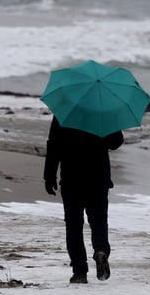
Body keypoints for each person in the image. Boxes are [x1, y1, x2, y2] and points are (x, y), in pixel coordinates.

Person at [43, 117, 124, 284]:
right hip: (98, 178)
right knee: (99, 221)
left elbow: (54, 144)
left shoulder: (65, 114)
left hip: (72, 178)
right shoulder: (102, 112)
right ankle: (101, 250)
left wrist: (49, 175)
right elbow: (116, 142)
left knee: (73, 225)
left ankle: (79, 271)